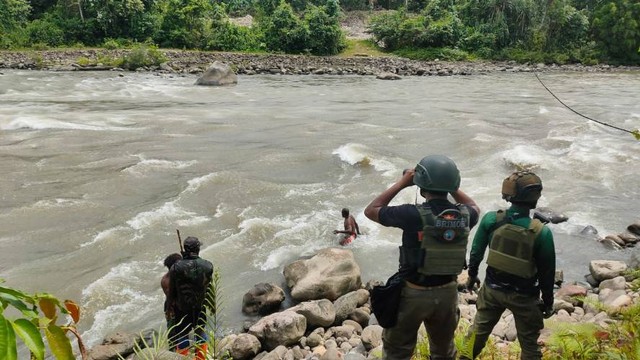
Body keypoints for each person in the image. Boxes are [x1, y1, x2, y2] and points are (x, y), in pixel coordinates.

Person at [364, 155, 480, 360]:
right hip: (447, 294)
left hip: (413, 293)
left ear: (421, 185)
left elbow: (371, 211)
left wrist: (402, 183)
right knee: (444, 351)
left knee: (398, 352)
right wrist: (451, 185)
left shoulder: (412, 214)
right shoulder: (465, 215)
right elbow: (475, 206)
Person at [461, 171, 556, 360]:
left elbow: (476, 253)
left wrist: (472, 276)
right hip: (525, 296)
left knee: (477, 333)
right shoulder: (541, 233)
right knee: (529, 345)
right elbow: (547, 273)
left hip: (492, 290)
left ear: (508, 194)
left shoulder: (491, 219)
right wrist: (547, 301)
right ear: (535, 198)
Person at [168, 236, 214, 359]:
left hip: (182, 308)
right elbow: (209, 288)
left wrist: (168, 307)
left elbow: (171, 291)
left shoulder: (176, 267)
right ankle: (200, 358)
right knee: (200, 332)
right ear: (198, 249)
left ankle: (183, 358)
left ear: (185, 250)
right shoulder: (208, 266)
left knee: (182, 335)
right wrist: (212, 306)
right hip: (200, 306)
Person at [161, 253, 182, 330]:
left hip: (180, 306)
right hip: (173, 308)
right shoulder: (166, 281)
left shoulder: (182, 274)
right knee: (175, 333)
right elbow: (172, 297)